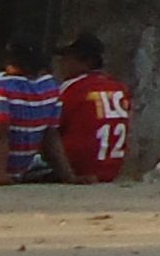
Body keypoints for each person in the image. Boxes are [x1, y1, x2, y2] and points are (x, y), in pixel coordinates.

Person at [51, 36, 135, 185]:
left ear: (86, 62)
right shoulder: (119, 88)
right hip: (110, 169)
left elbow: (52, 129)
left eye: (67, 59)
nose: (62, 64)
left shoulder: (72, 88)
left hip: (77, 168)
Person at [0, 38, 64, 184]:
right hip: (21, 169)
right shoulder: (50, 86)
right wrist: (69, 176)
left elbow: (0, 132)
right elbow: (51, 136)